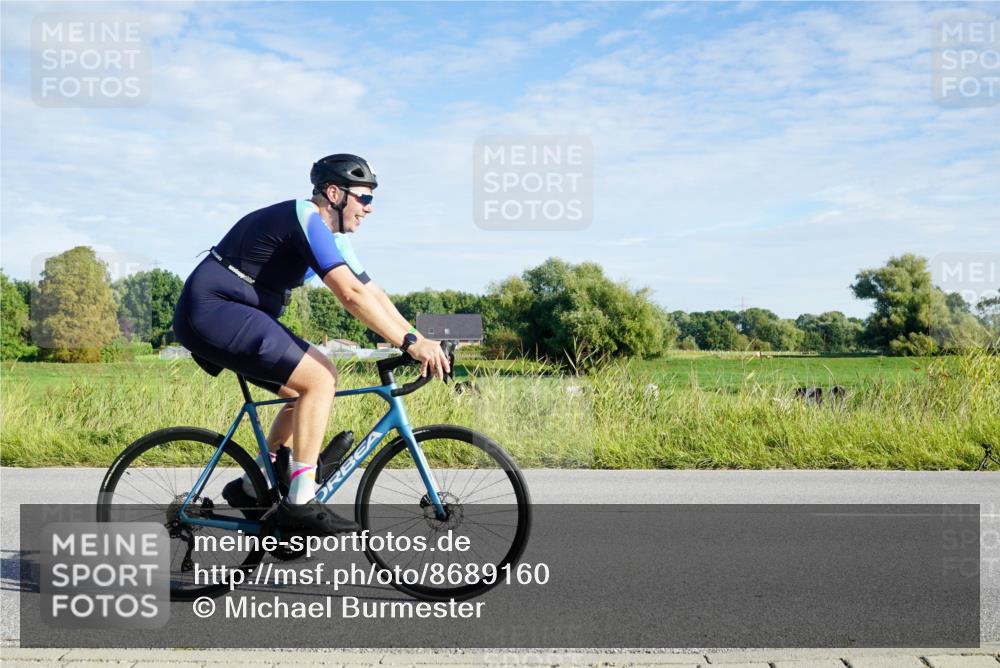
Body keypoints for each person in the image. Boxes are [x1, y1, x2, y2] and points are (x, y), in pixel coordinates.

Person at [172, 154, 450, 535]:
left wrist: (416, 339)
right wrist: (407, 342)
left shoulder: (332, 238)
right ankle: (301, 501)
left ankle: (254, 484)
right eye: (364, 199)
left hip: (234, 311)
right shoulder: (305, 218)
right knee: (320, 377)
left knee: (298, 390)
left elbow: (372, 293)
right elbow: (349, 295)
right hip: (212, 309)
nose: (369, 209)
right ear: (334, 194)